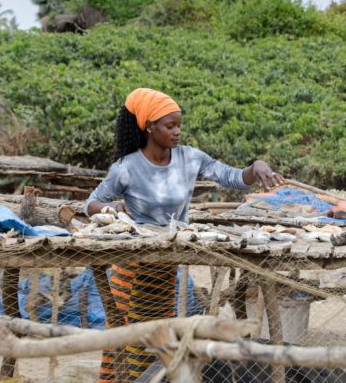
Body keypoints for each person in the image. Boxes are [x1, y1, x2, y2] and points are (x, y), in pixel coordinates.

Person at [86, 88, 284, 382]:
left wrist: (256, 168)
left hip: (165, 269)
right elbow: (90, 204)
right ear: (149, 127)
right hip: (131, 268)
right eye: (170, 126)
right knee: (123, 343)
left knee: (159, 343)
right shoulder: (127, 168)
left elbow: (231, 177)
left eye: (179, 124)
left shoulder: (190, 159)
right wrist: (110, 207)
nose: (177, 132)